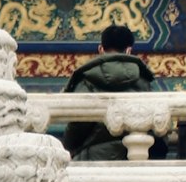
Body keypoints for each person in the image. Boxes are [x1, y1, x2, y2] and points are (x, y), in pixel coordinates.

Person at [62, 23, 166, 161]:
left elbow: (77, 125)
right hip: (135, 157)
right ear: (129, 50)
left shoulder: (86, 80)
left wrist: (69, 146)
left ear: (100, 49)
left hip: (92, 160)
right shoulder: (143, 81)